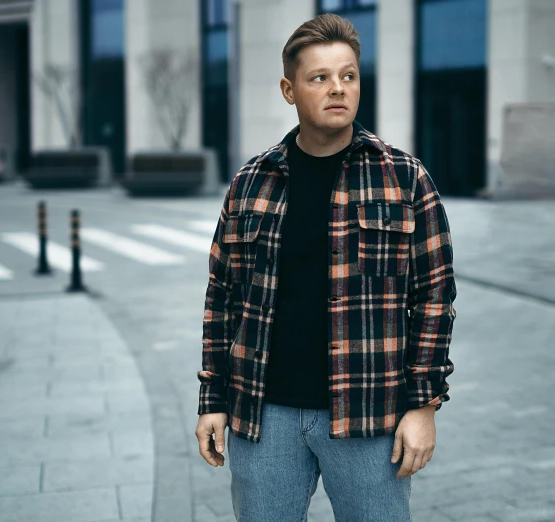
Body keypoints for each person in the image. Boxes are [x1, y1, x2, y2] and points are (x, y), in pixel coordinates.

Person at [195, 13, 457, 522]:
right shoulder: (252, 181)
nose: (337, 88)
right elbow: (221, 298)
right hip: (263, 416)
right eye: (319, 78)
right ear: (289, 90)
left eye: (348, 75)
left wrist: (423, 406)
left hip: (370, 417)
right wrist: (213, 397)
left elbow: (434, 298)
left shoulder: (405, 178)